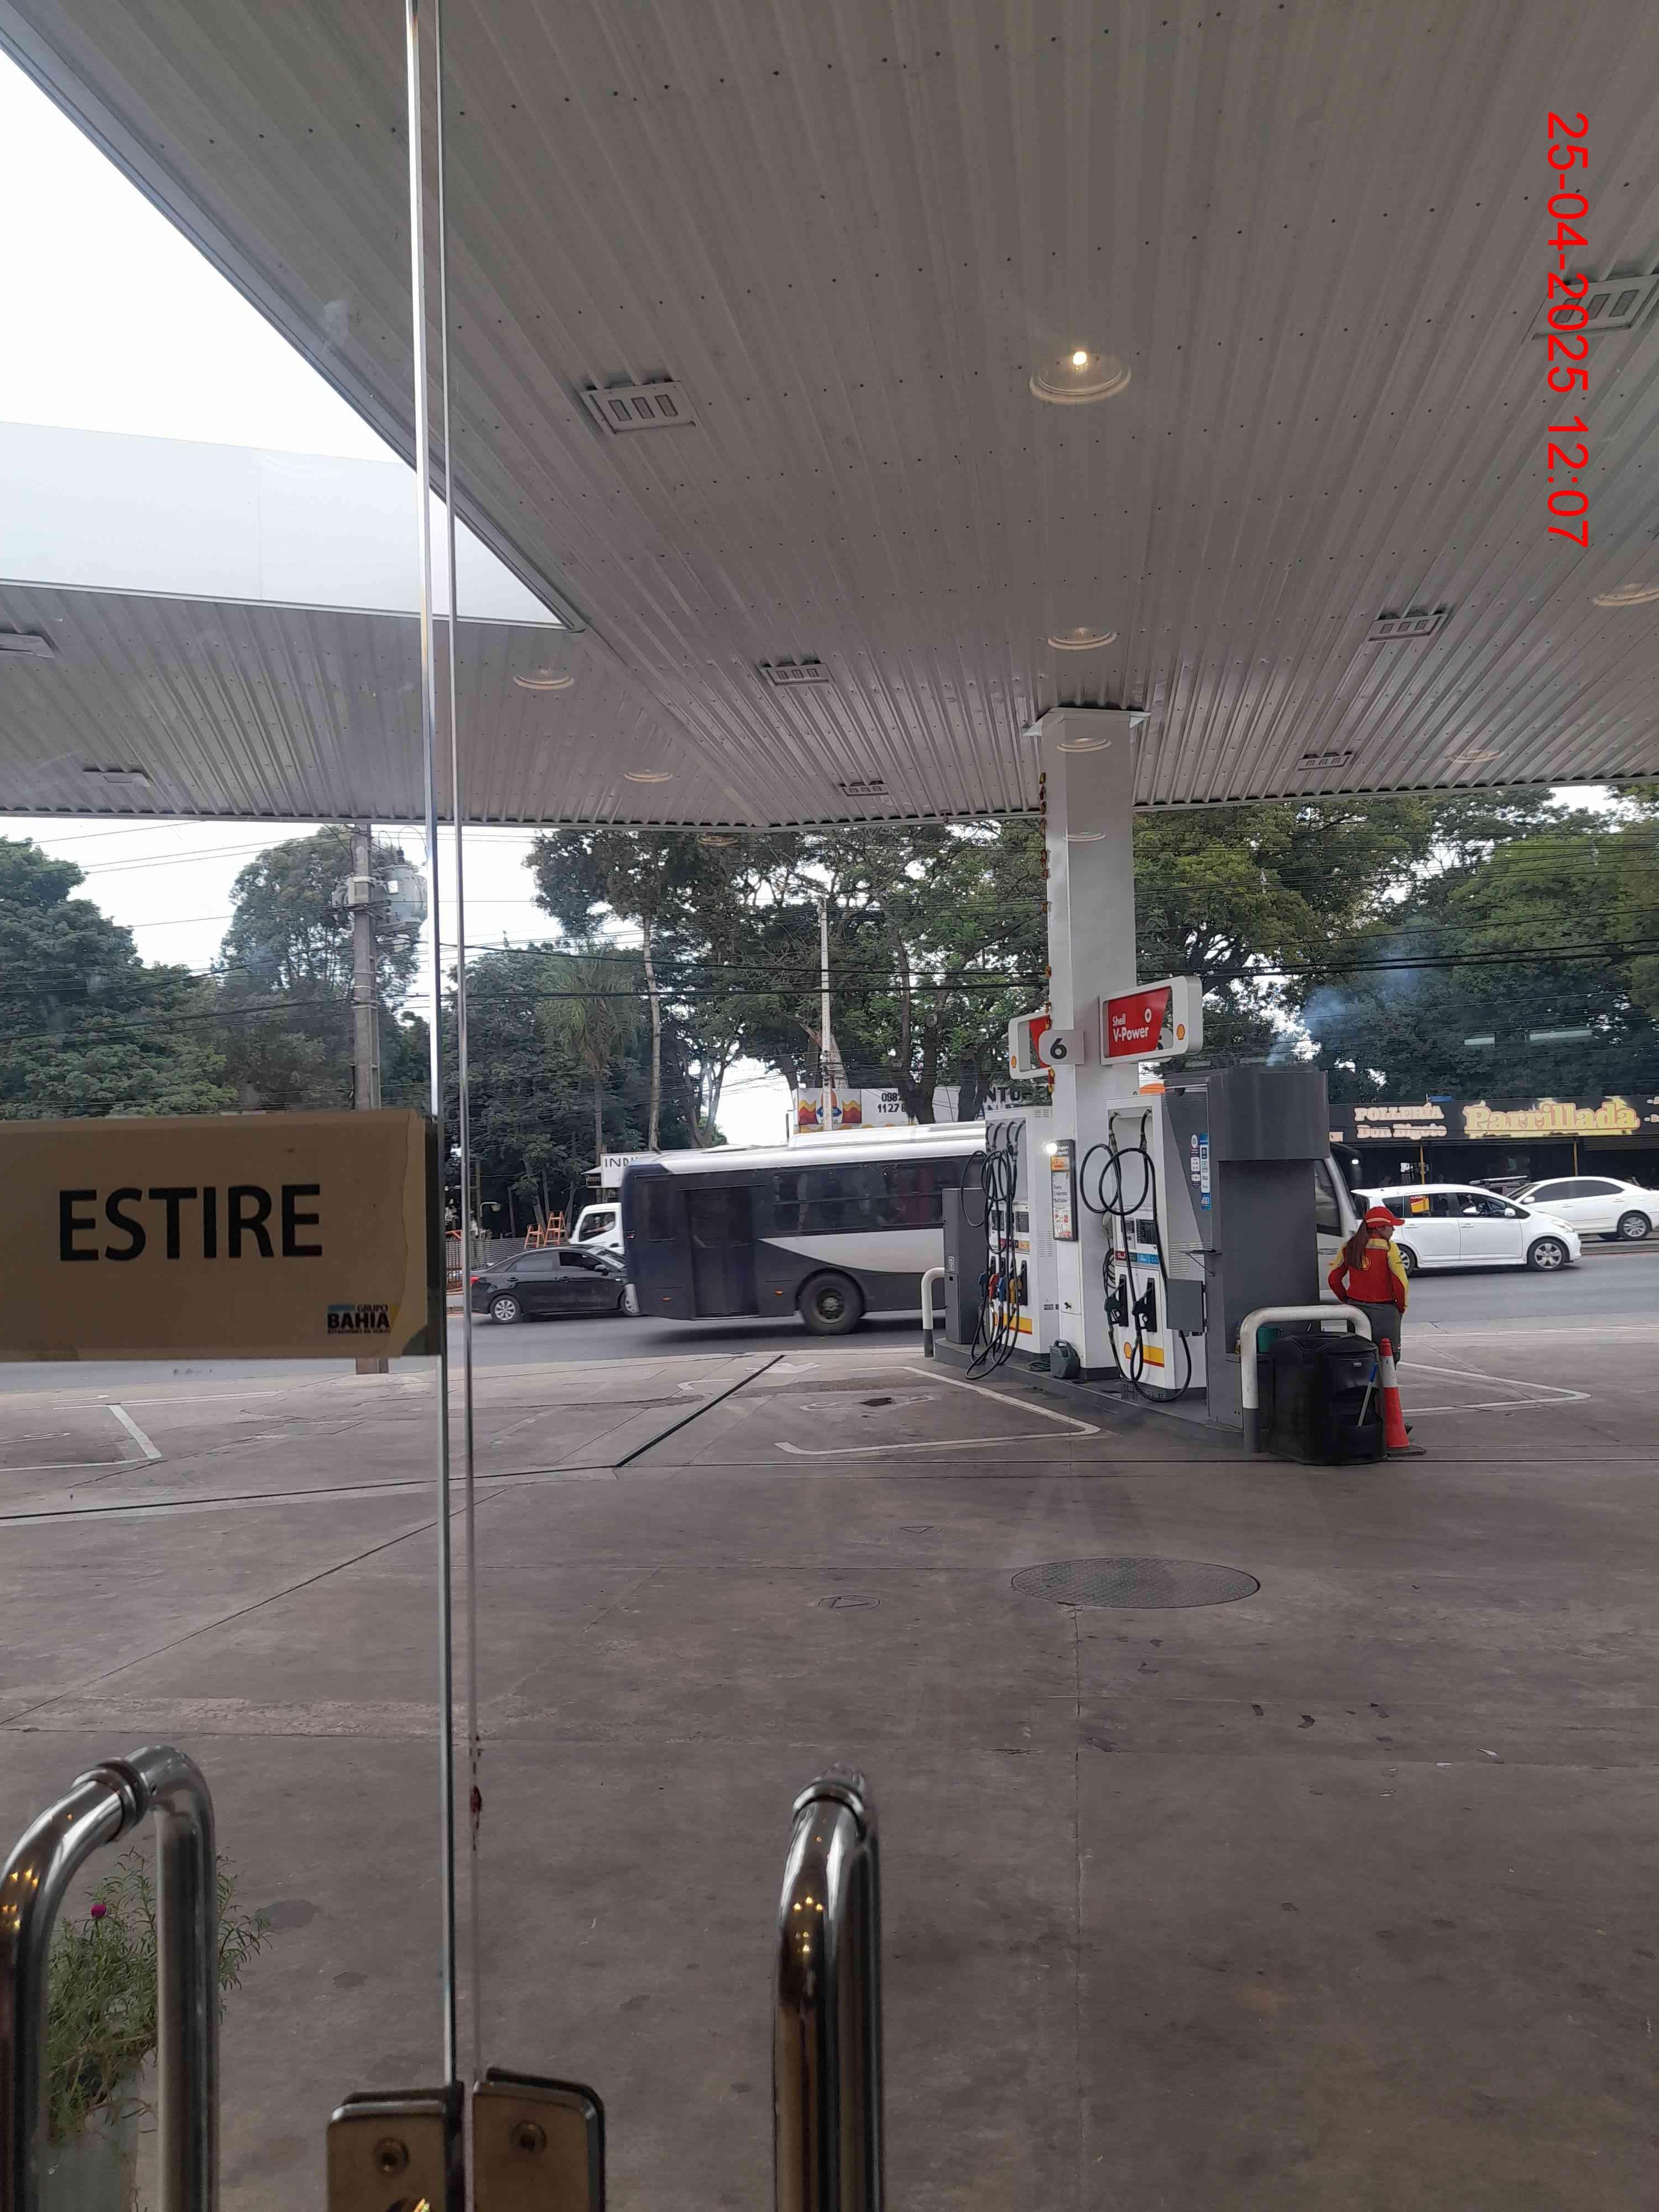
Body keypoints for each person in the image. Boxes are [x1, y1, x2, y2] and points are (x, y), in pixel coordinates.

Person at [1328, 1203, 1410, 1363]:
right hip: (1384, 1313)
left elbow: (1333, 1279)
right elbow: (1401, 1284)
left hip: (1355, 1311)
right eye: (1391, 1226)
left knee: (1360, 1359)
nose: (1393, 1230)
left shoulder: (1349, 1247)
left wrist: (1347, 1300)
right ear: (1379, 1228)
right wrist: (1401, 1308)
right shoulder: (1390, 1248)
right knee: (1388, 1360)